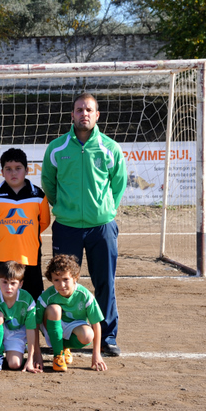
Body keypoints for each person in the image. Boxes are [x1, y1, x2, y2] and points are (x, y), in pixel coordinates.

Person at [41, 93, 127, 356]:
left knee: (105, 282)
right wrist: (65, 209)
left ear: (97, 115)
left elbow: (118, 184)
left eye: (89, 110)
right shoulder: (56, 148)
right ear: (72, 115)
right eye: (79, 110)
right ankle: (66, 332)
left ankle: (107, 337)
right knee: (64, 282)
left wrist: (106, 211)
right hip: (67, 227)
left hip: (101, 227)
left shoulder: (110, 148)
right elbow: (49, 184)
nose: (84, 114)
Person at [0, 148, 51, 301]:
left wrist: (27, 235)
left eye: (18, 168)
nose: (13, 173)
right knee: (6, 297)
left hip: (30, 257)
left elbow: (44, 222)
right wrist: (6, 237)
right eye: (8, 169)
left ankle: (32, 325)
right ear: (1, 172)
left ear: (27, 170)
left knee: (33, 298)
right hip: (4, 256)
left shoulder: (38, 195)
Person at [36, 254, 107, 372]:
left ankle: (64, 346)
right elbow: (35, 324)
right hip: (51, 324)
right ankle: (58, 355)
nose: (62, 285)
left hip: (74, 326)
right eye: (56, 280)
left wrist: (96, 354)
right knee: (54, 309)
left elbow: (96, 324)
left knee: (88, 335)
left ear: (75, 277)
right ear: (51, 280)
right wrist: (36, 353)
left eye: (65, 279)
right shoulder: (46, 296)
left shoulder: (84, 295)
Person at [0, 261, 42, 377]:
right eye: (4, 282)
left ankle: (19, 351)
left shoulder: (27, 299)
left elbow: (31, 330)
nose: (8, 287)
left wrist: (30, 359)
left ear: (20, 284)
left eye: (13, 283)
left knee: (14, 364)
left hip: (17, 333)